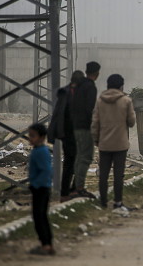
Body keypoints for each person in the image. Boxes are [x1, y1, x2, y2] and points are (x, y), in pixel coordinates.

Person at [91, 74, 136, 212]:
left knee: (103, 175)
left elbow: (95, 124)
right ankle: (118, 202)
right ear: (121, 86)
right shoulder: (126, 101)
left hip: (104, 144)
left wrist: (97, 140)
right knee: (118, 175)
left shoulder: (100, 101)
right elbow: (131, 122)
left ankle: (103, 202)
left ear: (107, 86)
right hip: (120, 144)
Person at [48, 70, 84, 202]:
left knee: (73, 162)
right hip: (70, 134)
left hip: (72, 134)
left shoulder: (68, 93)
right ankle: (69, 191)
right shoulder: (68, 93)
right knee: (73, 162)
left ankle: (70, 190)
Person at [70, 61, 100, 199]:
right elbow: (89, 109)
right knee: (86, 157)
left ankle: (74, 186)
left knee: (79, 156)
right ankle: (79, 188)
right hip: (84, 127)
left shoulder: (79, 86)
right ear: (97, 73)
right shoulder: (90, 87)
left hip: (75, 125)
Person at [27, 123, 54, 255]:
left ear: (42, 137)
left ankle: (46, 244)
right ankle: (47, 243)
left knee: (39, 217)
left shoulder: (42, 152)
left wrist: (36, 184)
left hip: (41, 188)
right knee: (40, 216)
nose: (30, 139)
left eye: (33, 136)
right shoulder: (38, 150)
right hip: (40, 187)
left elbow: (46, 171)